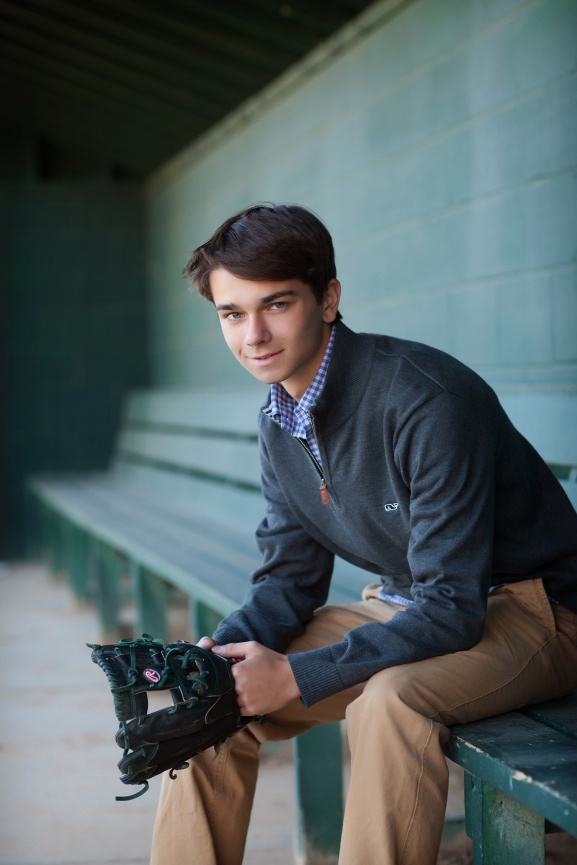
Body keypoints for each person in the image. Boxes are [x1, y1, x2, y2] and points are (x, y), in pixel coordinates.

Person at [150, 204, 577, 865]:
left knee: (390, 701)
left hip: (536, 613)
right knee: (212, 695)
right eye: (231, 313)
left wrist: (294, 675)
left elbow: (453, 607)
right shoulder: (279, 419)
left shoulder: (424, 399)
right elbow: (288, 576)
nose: (253, 334)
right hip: (412, 604)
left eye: (276, 304)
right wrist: (227, 651)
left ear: (328, 299)